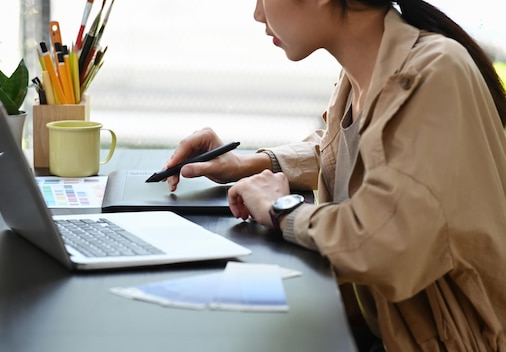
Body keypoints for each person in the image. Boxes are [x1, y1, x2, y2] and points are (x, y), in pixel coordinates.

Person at [163, 0, 506, 350]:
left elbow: (384, 242)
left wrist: (282, 209)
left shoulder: (432, 72)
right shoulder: (359, 76)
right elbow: (350, 151)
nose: (258, 14)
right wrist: (245, 164)